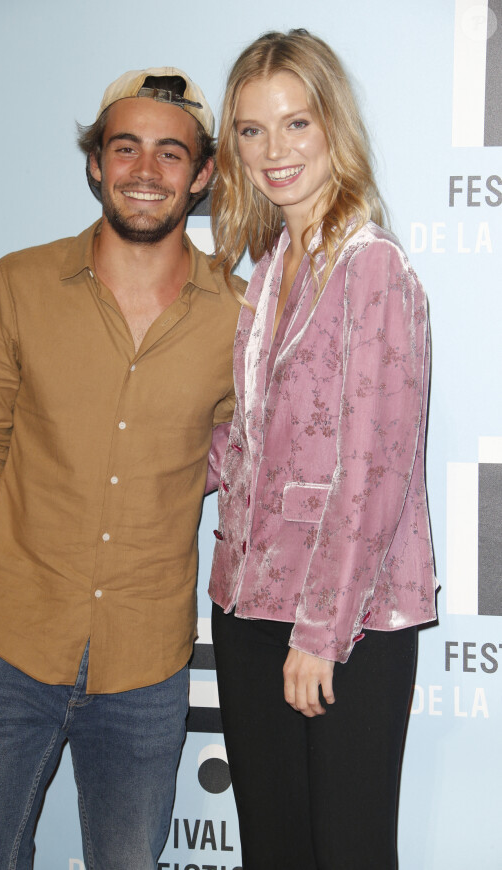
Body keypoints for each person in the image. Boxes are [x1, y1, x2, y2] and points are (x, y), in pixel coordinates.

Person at [0, 67, 242, 870]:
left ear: (202, 174)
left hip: (147, 662)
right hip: (8, 645)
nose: (145, 170)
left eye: (171, 154)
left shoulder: (242, 316)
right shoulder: (16, 286)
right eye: (124, 147)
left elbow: (255, 457)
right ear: (95, 162)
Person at [207, 29, 437, 870]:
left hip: (349, 624)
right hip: (248, 608)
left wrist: (320, 633)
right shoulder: (271, 266)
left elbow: (374, 471)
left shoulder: (370, 267)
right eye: (252, 130)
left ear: (333, 127)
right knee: (273, 851)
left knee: (346, 852)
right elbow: (257, 439)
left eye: (296, 124)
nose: (274, 151)